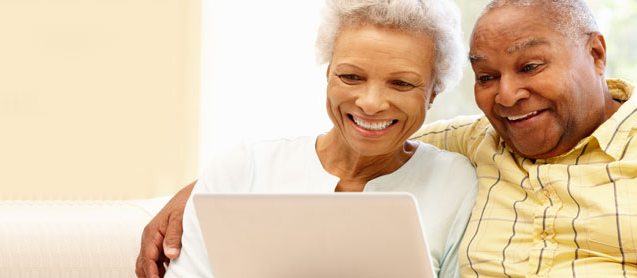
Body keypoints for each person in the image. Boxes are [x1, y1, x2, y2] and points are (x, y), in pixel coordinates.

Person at [137, 1, 637, 277]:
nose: (507, 94)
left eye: (530, 66)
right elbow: (365, 137)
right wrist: (200, 195)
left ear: (597, 53)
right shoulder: (475, 143)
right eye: (487, 77)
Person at [147, 0, 478, 277]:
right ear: (328, 74)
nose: (371, 103)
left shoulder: (455, 183)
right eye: (351, 76)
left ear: (434, 92)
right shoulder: (242, 169)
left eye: (402, 84)